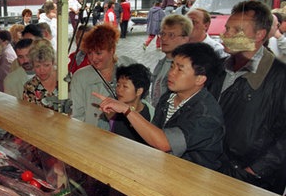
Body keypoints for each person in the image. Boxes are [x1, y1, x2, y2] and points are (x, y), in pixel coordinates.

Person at [94, 42, 224, 170]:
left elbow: (164, 143)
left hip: (192, 181)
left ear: (200, 79)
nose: (171, 73)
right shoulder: (168, 98)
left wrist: (126, 110)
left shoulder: (206, 114)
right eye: (172, 66)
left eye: (180, 69)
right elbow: (153, 133)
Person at [211, 0, 286, 195]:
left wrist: (255, 171)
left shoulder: (280, 77)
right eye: (227, 28)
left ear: (260, 35)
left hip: (254, 184)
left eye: (237, 30)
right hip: (213, 168)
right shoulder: (218, 67)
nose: (226, 34)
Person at [70, 23, 136, 128]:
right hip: (93, 137)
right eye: (89, 53)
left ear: (112, 50)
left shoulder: (130, 66)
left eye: (98, 53)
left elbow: (143, 102)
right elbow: (77, 116)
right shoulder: (80, 77)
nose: (93, 58)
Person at [98, 63, 153, 145]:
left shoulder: (151, 115)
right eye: (118, 85)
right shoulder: (112, 111)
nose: (119, 90)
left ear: (139, 91)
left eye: (125, 86)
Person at [150, 14, 192, 107]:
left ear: (185, 39)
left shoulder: (186, 68)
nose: (164, 38)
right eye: (163, 34)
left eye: (171, 35)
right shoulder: (162, 62)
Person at [23, 39, 58, 110]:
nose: (42, 70)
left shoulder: (65, 80)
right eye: (37, 66)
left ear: (53, 62)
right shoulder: (30, 87)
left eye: (46, 65)